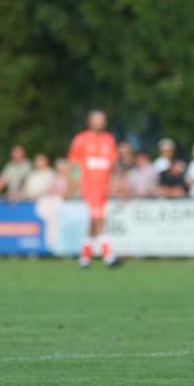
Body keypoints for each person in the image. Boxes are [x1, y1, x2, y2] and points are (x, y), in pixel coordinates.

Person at [68, 109, 119, 268]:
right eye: (95, 119)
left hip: (104, 186)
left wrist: (115, 183)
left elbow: (113, 164)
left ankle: (85, 256)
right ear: (89, 121)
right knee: (97, 218)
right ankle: (107, 254)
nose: (98, 122)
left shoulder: (109, 139)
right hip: (88, 186)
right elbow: (74, 164)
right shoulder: (81, 139)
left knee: (95, 219)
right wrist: (74, 184)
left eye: (101, 119)